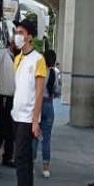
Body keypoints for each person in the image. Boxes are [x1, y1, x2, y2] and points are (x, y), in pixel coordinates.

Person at [5, 19, 46, 186]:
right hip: (16, 115)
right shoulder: (18, 58)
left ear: (30, 36)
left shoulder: (38, 59)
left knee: (21, 159)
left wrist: (35, 120)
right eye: (16, 32)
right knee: (24, 160)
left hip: (28, 118)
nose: (17, 35)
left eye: (21, 32)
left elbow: (39, 93)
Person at [0, 40, 18, 167]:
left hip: (14, 99)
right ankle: (6, 157)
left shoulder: (18, 57)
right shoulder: (3, 53)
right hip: (5, 98)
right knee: (8, 130)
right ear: (12, 42)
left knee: (4, 129)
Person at [34, 49, 58, 178]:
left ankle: (31, 164)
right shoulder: (54, 74)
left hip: (37, 105)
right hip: (49, 106)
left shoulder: (38, 71)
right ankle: (46, 168)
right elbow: (56, 91)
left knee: (34, 136)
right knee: (47, 139)